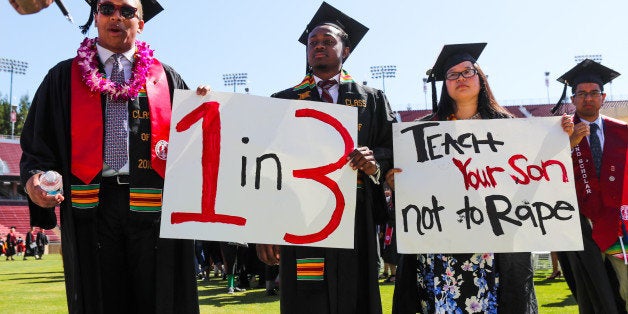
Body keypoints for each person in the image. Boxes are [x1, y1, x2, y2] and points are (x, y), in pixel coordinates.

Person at [19, 0, 208, 313]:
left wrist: (204, 110)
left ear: (141, 23)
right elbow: (38, 146)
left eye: (128, 11)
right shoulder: (62, 78)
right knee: (101, 300)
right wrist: (34, 180)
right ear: (96, 18)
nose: (116, 16)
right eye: (107, 8)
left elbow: (195, 147)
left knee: (158, 300)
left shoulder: (167, 80)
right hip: (91, 210)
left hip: (154, 212)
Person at [389, 43, 550, 313]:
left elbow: (532, 178)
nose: (460, 78)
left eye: (468, 71)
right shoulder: (424, 131)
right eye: (452, 75)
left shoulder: (509, 128)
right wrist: (399, 184)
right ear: (444, 84)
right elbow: (415, 189)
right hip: (441, 245)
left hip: (494, 243)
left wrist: (560, 142)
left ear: (481, 78)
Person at [256, 2, 395, 313]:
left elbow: (393, 149)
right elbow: (266, 168)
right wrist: (264, 227)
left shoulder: (372, 98)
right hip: (300, 215)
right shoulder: (284, 101)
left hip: (356, 212)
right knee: (307, 292)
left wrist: (374, 161)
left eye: (328, 41)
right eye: (313, 42)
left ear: (345, 51)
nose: (319, 46)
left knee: (356, 290)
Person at [553, 59, 628, 313]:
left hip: (619, 223)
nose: (588, 98)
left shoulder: (622, 132)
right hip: (580, 224)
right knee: (593, 293)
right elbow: (544, 172)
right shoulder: (557, 132)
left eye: (594, 93)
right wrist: (569, 143)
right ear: (572, 99)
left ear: (603, 96)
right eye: (581, 94)